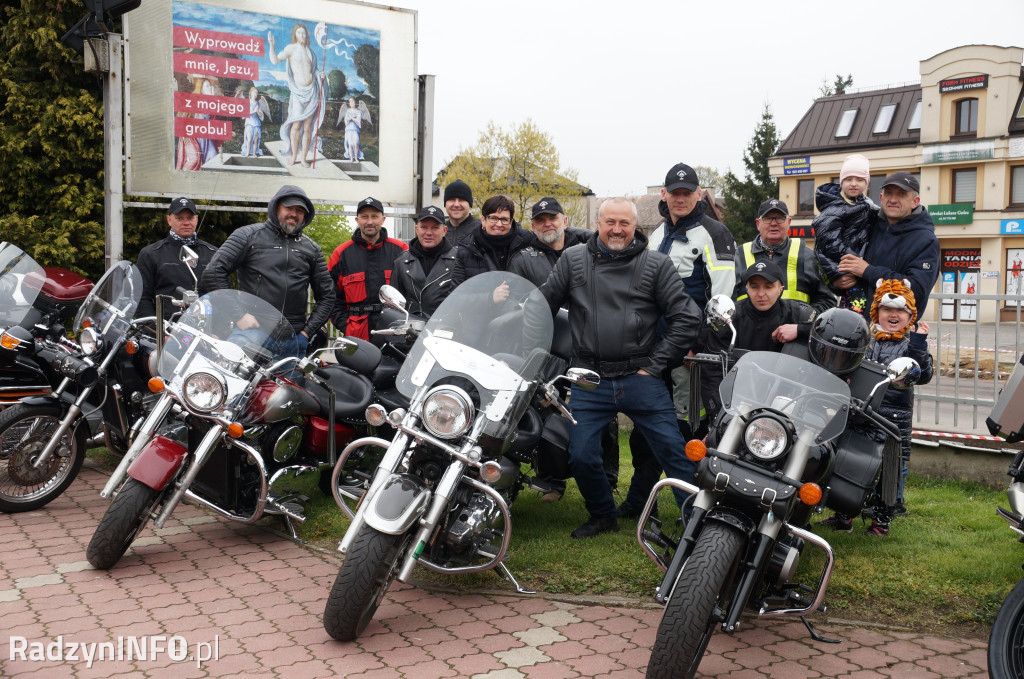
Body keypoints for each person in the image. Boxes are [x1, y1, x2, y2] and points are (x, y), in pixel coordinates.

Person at [540, 197, 702, 538]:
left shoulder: (656, 265)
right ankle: (602, 515)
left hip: (641, 377)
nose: (617, 229)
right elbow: (541, 307)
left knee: (674, 452)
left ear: (635, 227)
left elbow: (687, 318)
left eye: (624, 223)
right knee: (581, 455)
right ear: (598, 224)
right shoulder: (572, 260)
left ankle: (698, 525)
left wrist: (656, 364)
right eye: (610, 222)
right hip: (589, 379)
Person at [618, 163, 737, 519]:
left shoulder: (715, 233)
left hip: (691, 355)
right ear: (665, 195)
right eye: (675, 193)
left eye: (688, 194)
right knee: (647, 428)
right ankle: (642, 502)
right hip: (655, 350)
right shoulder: (656, 234)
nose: (681, 199)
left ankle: (695, 508)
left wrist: (697, 348)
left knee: (686, 431)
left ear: (698, 195)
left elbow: (722, 301)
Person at [507, 197, 619, 503]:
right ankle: (551, 480)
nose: (547, 224)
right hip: (548, 347)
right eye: (540, 220)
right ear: (532, 226)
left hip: (590, 345)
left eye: (552, 218)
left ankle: (607, 479)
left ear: (565, 220)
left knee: (602, 413)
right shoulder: (523, 259)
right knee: (546, 408)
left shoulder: (588, 252)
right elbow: (516, 303)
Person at [819, 279, 933, 536]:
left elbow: (923, 374)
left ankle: (881, 521)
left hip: (894, 421)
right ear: (876, 312)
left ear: (910, 314)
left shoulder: (911, 344)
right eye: (886, 310)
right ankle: (843, 514)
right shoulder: (866, 340)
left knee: (890, 474)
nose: (893, 315)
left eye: (900, 311)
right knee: (846, 461)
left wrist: (919, 344)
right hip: (859, 414)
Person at [200, 185, 334, 360]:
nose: (294, 213)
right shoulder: (247, 236)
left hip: (293, 342)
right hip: (252, 333)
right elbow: (213, 272)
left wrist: (306, 333)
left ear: (305, 215)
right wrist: (238, 314)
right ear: (276, 207)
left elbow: (328, 296)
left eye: (299, 210)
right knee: (235, 385)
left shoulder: (312, 249)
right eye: (289, 208)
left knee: (290, 389)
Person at [700, 260, 816, 419]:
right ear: (747, 288)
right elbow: (712, 373)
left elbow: (830, 331)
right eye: (754, 287)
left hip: (785, 404)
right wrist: (721, 415)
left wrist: (800, 329)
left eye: (768, 287)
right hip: (738, 403)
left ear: (780, 289)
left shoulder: (797, 313)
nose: (761, 294)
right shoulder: (729, 317)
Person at [836, 171, 941, 321]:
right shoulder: (868, 226)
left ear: (915, 201)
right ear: (881, 198)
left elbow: (916, 289)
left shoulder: (925, 240)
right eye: (888, 193)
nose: (893, 199)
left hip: (893, 332)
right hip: (855, 324)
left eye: (901, 194)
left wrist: (868, 271)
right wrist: (837, 281)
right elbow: (843, 262)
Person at [328, 197, 409, 340]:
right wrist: (345, 326)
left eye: (374, 217)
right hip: (357, 335)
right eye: (364, 217)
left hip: (394, 331)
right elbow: (329, 297)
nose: (370, 222)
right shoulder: (341, 254)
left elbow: (412, 292)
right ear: (357, 220)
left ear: (383, 219)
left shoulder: (401, 250)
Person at [735, 199, 835, 314]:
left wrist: (804, 322)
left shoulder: (808, 255)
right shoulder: (739, 255)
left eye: (779, 218)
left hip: (794, 330)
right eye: (768, 218)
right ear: (758, 224)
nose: (774, 223)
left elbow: (827, 300)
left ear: (789, 222)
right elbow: (728, 298)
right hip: (749, 330)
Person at [136, 197, 217, 321]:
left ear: (196, 219)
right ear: (169, 220)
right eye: (179, 218)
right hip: (167, 330)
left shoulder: (213, 253)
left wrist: (218, 332)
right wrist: (159, 334)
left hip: (205, 332)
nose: (186, 222)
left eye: (190, 218)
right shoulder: (151, 253)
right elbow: (142, 298)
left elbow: (222, 298)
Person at [812, 154, 875, 314]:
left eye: (859, 180)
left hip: (851, 265)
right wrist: (855, 259)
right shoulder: (834, 209)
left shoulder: (864, 204)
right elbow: (829, 240)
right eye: (848, 180)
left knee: (862, 305)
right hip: (843, 264)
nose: (853, 184)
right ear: (841, 182)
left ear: (867, 182)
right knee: (856, 309)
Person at [268, 23, 326, 168]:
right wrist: (271, 45)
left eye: (304, 33)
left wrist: (321, 75)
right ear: (295, 34)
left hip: (312, 92)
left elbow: (314, 71)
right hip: (298, 93)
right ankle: (293, 156)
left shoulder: (310, 52)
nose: (302, 35)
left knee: (307, 128)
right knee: (296, 125)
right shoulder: (291, 49)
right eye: (299, 33)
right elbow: (275, 60)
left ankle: (303, 158)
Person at [452, 195, 536, 292]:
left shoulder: (528, 241)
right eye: (494, 218)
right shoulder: (467, 248)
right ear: (483, 220)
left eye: (504, 219)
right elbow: (456, 295)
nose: (499, 224)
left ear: (511, 221)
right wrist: (489, 299)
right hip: (481, 307)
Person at [390, 205, 456, 317]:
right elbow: (394, 306)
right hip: (411, 329)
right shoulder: (401, 262)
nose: (428, 233)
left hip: (446, 328)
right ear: (416, 229)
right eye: (424, 227)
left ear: (444, 230)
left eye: (435, 228)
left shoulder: (458, 260)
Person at [442, 180, 481, 246]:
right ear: (445, 204)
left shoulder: (481, 230)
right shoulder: (438, 231)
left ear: (470, 205)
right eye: (452, 200)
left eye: (461, 200)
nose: (456, 205)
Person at [337, 97, 372, 162]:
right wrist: (351, 118)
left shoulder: (359, 111)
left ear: (355, 102)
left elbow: (358, 121)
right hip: (349, 130)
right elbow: (346, 120)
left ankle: (356, 158)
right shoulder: (348, 111)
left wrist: (352, 118)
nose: (351, 103)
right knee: (350, 144)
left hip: (355, 130)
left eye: (353, 101)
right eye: (350, 102)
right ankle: (351, 158)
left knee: (356, 144)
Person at [241, 87, 270, 157]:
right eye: (254, 92)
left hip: (256, 124)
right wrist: (254, 111)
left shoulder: (258, 104)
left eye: (256, 93)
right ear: (250, 93)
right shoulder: (247, 103)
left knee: (255, 140)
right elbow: (243, 115)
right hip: (249, 123)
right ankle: (247, 153)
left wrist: (257, 111)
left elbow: (261, 116)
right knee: (249, 139)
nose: (255, 94)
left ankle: (254, 153)